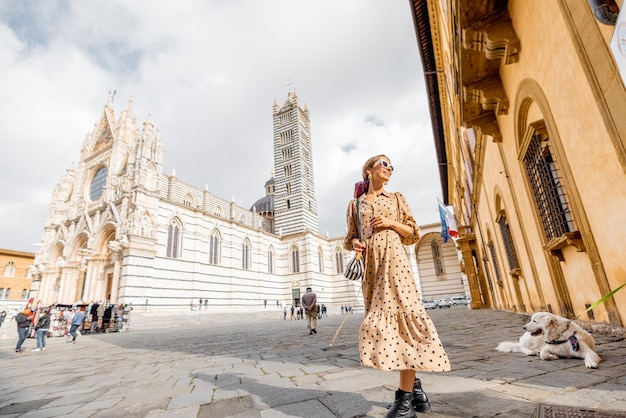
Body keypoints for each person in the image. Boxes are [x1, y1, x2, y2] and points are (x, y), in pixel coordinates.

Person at [344, 155, 450, 417]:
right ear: (369, 170)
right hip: (372, 268)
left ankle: (404, 403)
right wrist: (355, 243)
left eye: (391, 166)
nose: (388, 168)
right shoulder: (354, 204)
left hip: (396, 264)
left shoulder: (397, 198)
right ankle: (415, 388)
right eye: (383, 164)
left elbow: (413, 233)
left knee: (404, 323)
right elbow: (349, 238)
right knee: (384, 327)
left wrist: (391, 223)